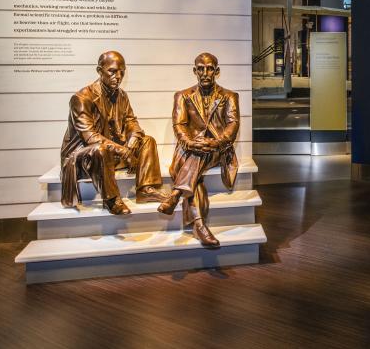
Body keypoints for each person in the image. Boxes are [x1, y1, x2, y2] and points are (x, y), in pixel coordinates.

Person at [60, 51, 165, 214]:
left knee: (147, 141)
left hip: (111, 152)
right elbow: (90, 137)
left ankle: (145, 188)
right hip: (84, 155)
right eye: (113, 71)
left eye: (122, 72)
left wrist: (134, 138)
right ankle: (112, 199)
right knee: (101, 150)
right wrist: (123, 151)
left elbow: (131, 122)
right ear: (99, 70)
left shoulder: (122, 95)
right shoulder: (81, 98)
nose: (118, 76)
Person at [158, 52, 240, 248]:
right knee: (196, 160)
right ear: (194, 71)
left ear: (217, 71)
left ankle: (176, 194)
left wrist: (216, 143)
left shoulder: (229, 96)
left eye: (210, 68)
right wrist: (190, 142)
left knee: (199, 152)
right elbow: (179, 125)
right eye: (201, 69)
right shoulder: (182, 96)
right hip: (190, 149)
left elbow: (233, 125)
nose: (205, 73)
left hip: (218, 150)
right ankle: (199, 226)